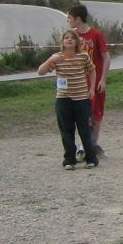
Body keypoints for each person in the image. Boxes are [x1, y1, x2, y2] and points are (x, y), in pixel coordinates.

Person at [37, 29, 98, 170]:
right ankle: (69, 159)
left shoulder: (83, 56)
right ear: (62, 42)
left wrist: (92, 89)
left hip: (81, 98)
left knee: (85, 130)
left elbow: (92, 71)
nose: (69, 40)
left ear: (77, 42)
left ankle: (91, 158)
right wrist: (50, 60)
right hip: (63, 99)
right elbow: (40, 71)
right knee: (66, 130)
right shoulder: (57, 57)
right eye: (66, 38)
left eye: (72, 38)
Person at [67, 3, 110, 155]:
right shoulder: (71, 37)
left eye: (70, 18)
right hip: (78, 83)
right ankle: (84, 144)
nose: (68, 21)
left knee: (96, 114)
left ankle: (92, 143)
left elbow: (106, 57)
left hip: (94, 81)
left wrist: (103, 79)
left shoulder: (96, 35)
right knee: (81, 115)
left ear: (78, 19)